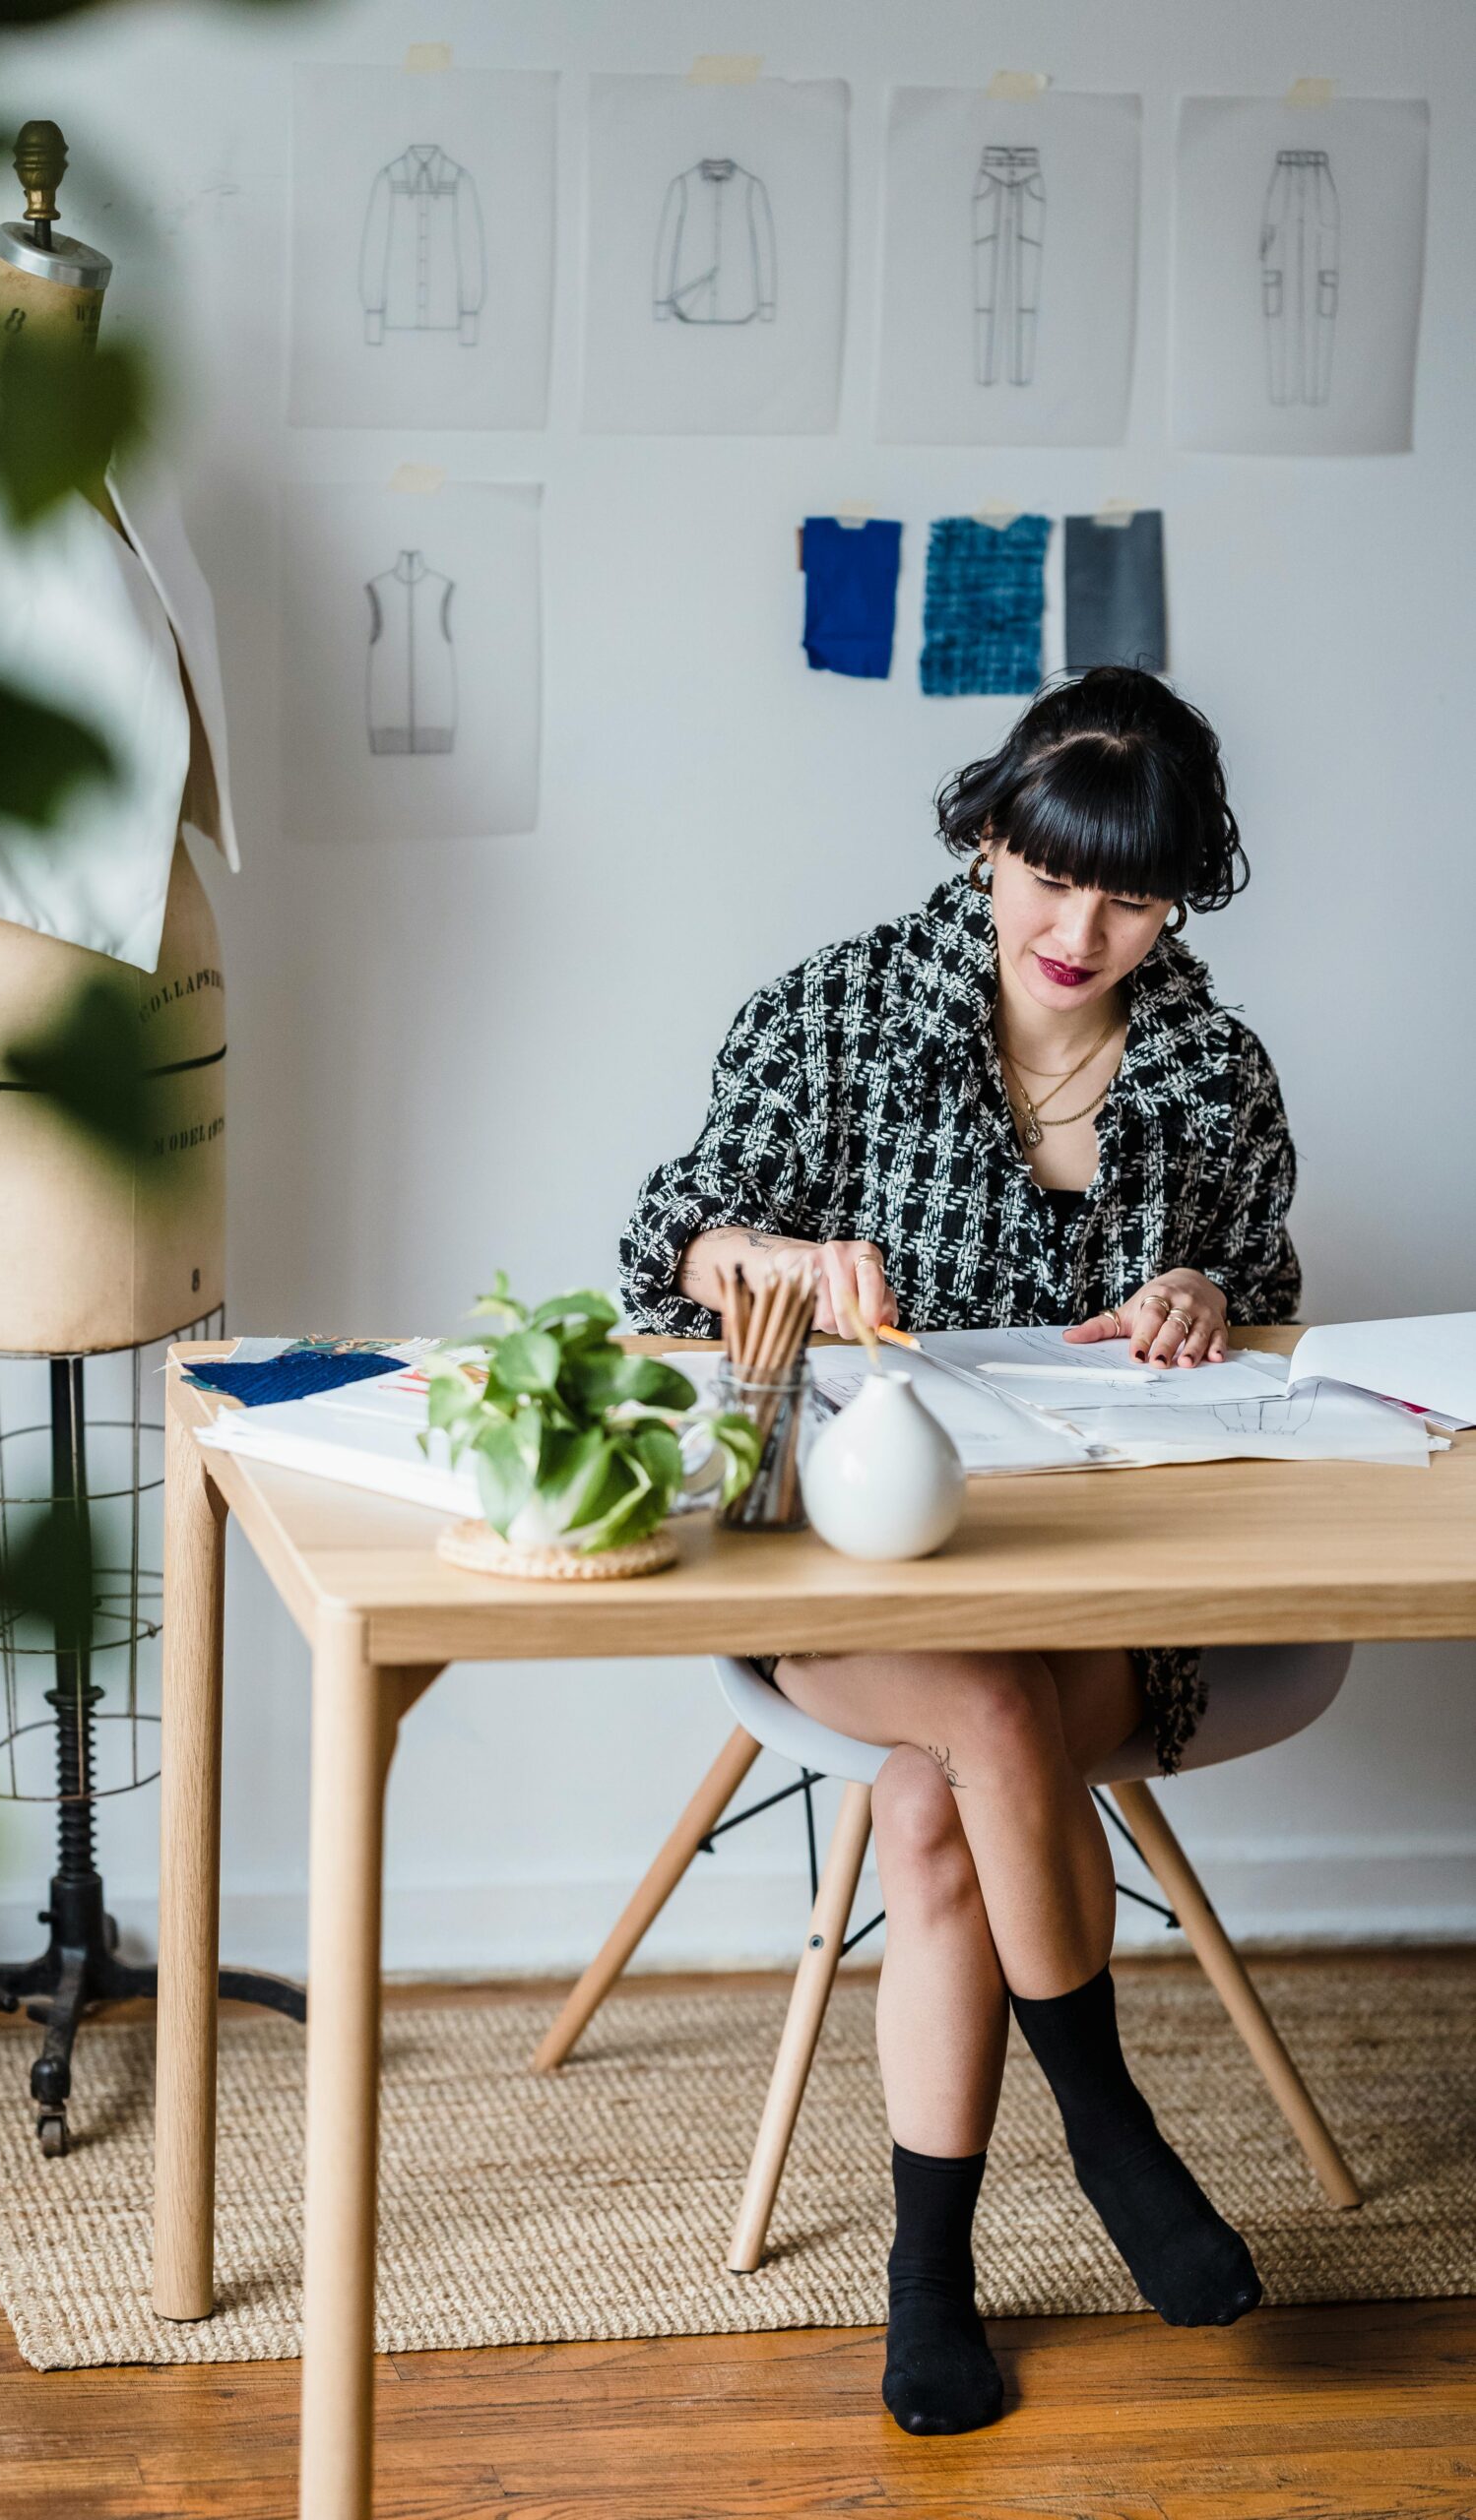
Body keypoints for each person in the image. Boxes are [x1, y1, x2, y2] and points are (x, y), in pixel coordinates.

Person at [619, 667, 1298, 2435]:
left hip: (1109, 1584)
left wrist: (1203, 1298)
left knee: (930, 1799)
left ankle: (933, 2285)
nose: (1083, 928)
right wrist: (763, 1260)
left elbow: (1272, 1306)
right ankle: (1110, 2129)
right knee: (975, 1707)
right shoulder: (838, 1013)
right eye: (1050, 873)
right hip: (838, 1574)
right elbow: (661, 1242)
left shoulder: (1214, 1073)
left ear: (1181, 894)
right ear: (988, 835)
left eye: (1135, 895)